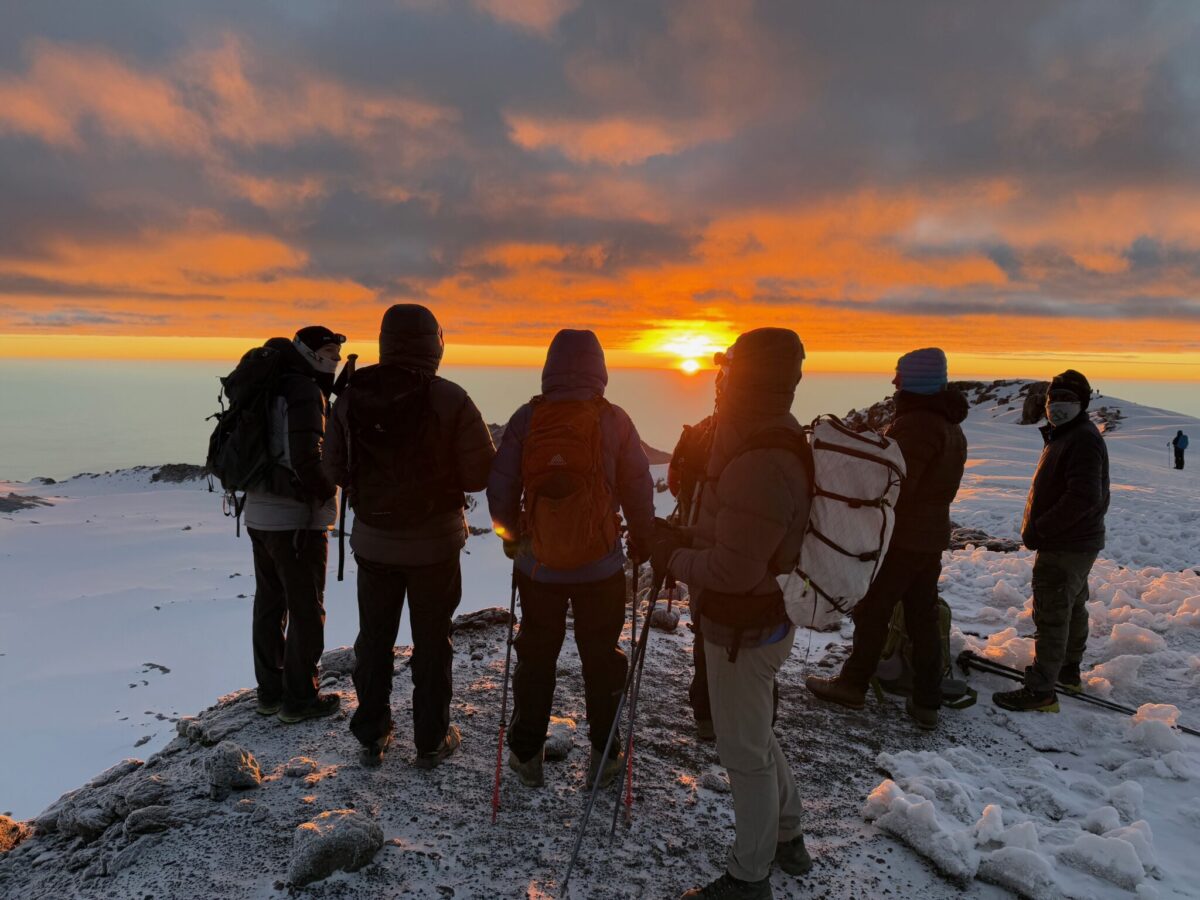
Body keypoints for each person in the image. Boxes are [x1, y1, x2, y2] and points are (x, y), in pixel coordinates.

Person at [656, 328, 812, 900]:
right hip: (757, 619)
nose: (718, 387)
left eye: (727, 376)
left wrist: (671, 556)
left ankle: (751, 877)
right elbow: (739, 533)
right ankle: (788, 835)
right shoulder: (772, 439)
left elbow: (733, 570)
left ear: (741, 380)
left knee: (742, 753)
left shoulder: (758, 460)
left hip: (742, 628)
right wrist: (682, 534)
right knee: (755, 735)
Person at [325, 305, 495, 768]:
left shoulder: (352, 395)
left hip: (374, 543)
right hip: (436, 545)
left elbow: (334, 466)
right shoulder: (451, 398)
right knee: (433, 642)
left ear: (384, 340)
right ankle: (431, 740)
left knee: (375, 639)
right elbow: (481, 471)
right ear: (435, 344)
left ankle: (372, 733)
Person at [487, 329, 654, 790]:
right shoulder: (614, 419)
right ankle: (605, 754)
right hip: (600, 566)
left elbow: (500, 486)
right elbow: (638, 486)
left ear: (550, 367)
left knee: (536, 655)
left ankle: (526, 754)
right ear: (599, 370)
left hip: (538, 567)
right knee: (601, 657)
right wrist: (643, 538)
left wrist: (511, 535)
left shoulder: (527, 418)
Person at [806, 348, 968, 730]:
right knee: (922, 616)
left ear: (915, 381)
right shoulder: (950, 426)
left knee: (873, 609)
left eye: (899, 375)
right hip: (930, 537)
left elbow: (894, 485)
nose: (894, 382)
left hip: (903, 537)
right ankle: (926, 700)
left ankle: (852, 684)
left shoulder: (917, 425)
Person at [994, 369, 1110, 712]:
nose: (1057, 406)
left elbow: (1083, 496)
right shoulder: (1068, 435)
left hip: (1066, 544)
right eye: (1053, 399)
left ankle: (1042, 689)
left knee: (1052, 612)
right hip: (1077, 542)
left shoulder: (1082, 439)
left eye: (1067, 399)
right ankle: (1067, 672)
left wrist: (1043, 528)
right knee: (1071, 607)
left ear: (1083, 403)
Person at [246, 326, 345, 724]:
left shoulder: (269, 384)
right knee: (306, 609)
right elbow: (307, 458)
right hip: (296, 522)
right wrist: (330, 487)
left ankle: (270, 692)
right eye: (328, 352)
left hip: (259, 514)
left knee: (269, 603)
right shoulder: (304, 391)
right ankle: (299, 698)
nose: (334, 359)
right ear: (307, 352)